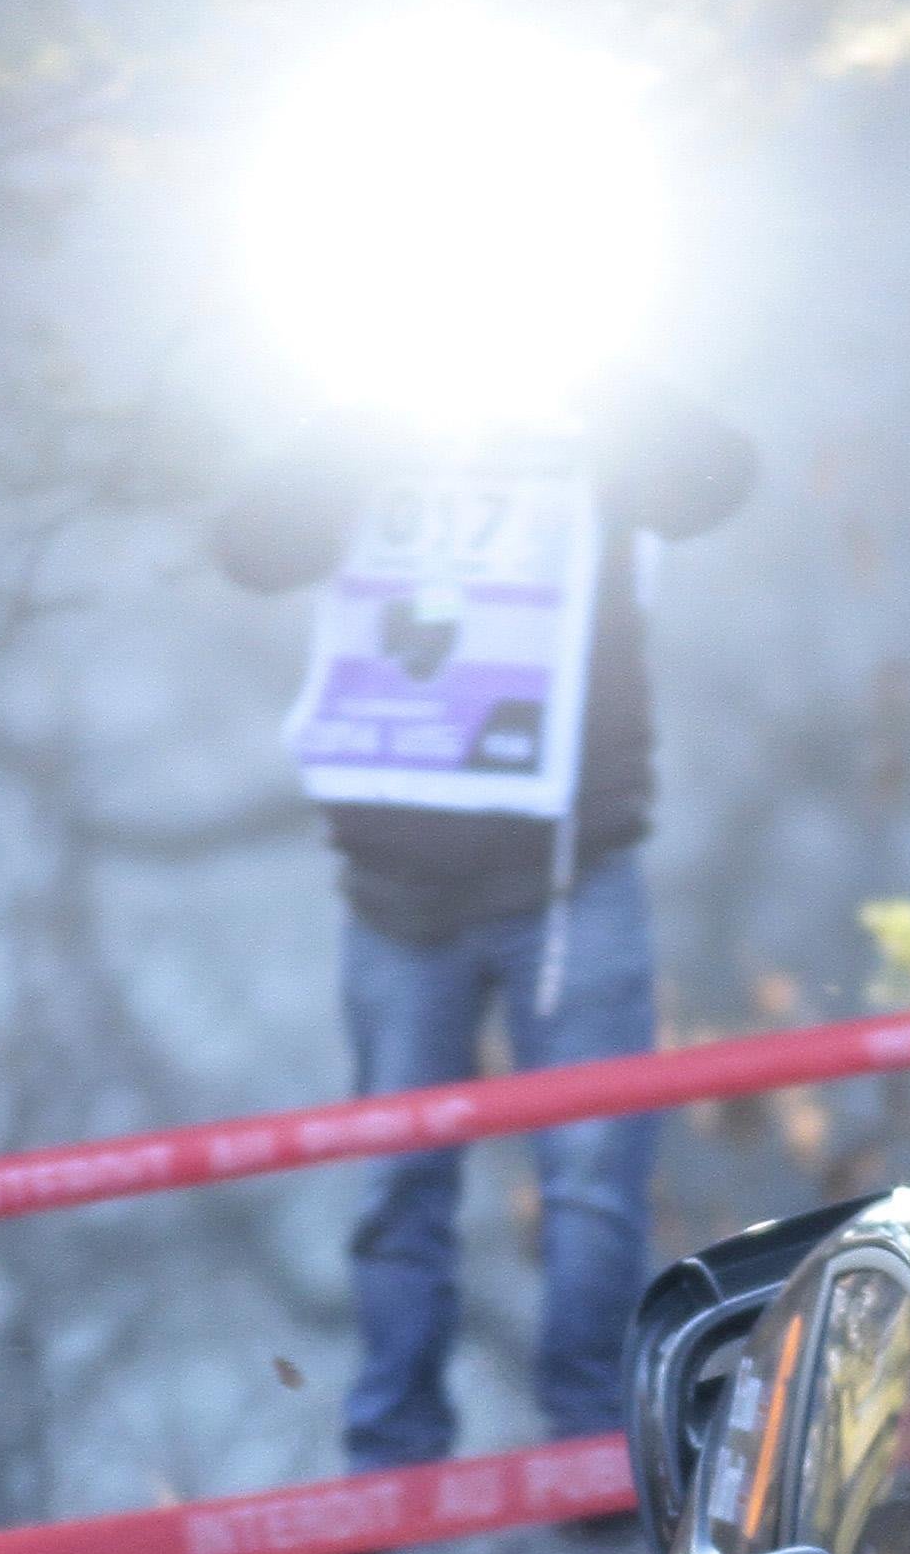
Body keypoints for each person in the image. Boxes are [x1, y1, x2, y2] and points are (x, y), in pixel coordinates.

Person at [215, 377, 755, 1469]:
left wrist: (607, 374)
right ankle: (391, 1453)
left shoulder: (593, 415)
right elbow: (250, 548)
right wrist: (351, 426)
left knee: (595, 1177)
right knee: (398, 1186)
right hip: (395, 887)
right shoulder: (363, 426)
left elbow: (715, 483)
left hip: (573, 868)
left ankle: (598, 1445)